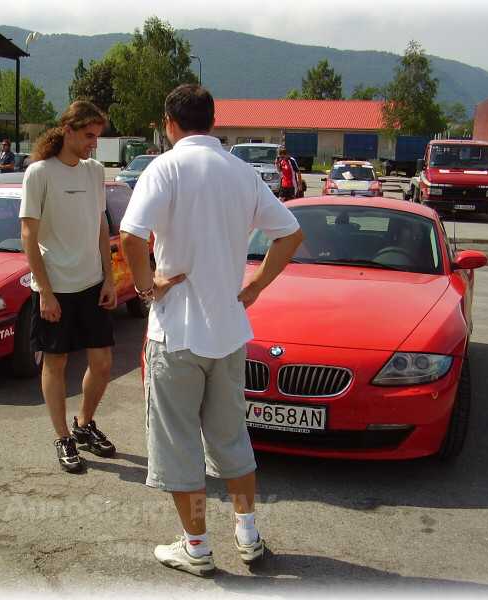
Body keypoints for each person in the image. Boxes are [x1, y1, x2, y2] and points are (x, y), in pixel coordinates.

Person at [120, 84, 304, 577]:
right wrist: (257, 285)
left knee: (180, 445)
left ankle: (197, 546)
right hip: (228, 332)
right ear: (213, 121)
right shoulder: (242, 172)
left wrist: (146, 286)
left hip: (176, 334)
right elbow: (290, 234)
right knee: (232, 439)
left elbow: (131, 236)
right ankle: (248, 533)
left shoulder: (165, 168)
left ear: (169, 122)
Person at [19, 100, 118, 474]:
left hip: (92, 283)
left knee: (103, 363)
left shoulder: (95, 172)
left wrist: (109, 277)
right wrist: (44, 291)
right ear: (69, 130)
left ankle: (83, 425)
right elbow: (28, 235)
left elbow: (101, 226)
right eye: (89, 135)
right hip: (55, 286)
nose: (95, 143)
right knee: (56, 363)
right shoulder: (40, 173)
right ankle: (63, 437)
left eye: (97, 136)